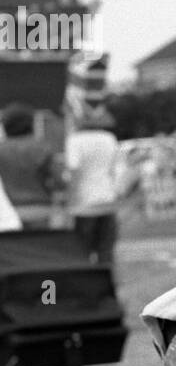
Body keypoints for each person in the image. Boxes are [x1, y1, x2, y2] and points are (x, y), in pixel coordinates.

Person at [64, 105, 123, 265]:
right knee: (106, 251)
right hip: (108, 199)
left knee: (82, 252)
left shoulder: (75, 140)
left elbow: (74, 172)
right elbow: (115, 170)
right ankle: (107, 285)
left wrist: (69, 201)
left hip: (83, 204)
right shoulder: (108, 138)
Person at [0, 103, 60, 228]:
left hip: (8, 210)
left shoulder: (2, 150)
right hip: (40, 208)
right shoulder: (42, 148)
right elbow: (57, 179)